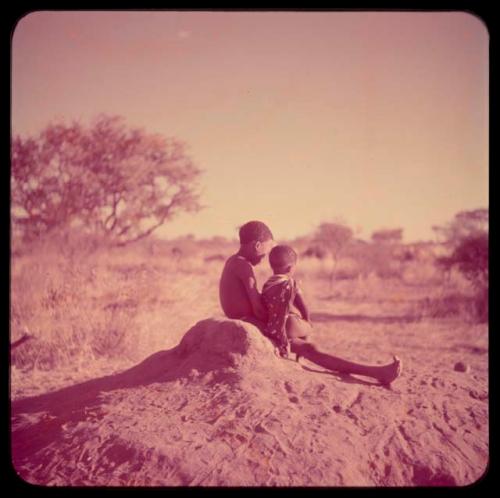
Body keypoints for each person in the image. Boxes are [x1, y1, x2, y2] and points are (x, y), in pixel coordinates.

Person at [260, 244, 402, 386]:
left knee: (312, 350)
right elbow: (304, 308)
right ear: (291, 268)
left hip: (276, 331)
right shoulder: (291, 283)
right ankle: (376, 372)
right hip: (291, 326)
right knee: (309, 336)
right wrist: (308, 324)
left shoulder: (266, 285)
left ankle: (379, 372)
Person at [219, 220, 275, 329]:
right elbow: (258, 310)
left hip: (237, 318)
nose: (265, 257)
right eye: (267, 250)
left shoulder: (232, 260)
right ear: (257, 245)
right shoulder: (244, 266)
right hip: (247, 321)